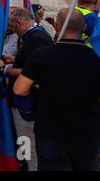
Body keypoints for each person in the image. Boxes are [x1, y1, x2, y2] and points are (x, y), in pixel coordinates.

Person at [14, 9, 100, 171]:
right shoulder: (95, 57)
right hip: (87, 132)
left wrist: (39, 86)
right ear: (84, 28)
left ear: (57, 26)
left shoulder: (42, 55)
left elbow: (19, 89)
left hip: (50, 132)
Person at [0, 7, 53, 171]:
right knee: (24, 141)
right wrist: (14, 59)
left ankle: (29, 167)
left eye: (12, 26)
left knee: (28, 142)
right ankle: (25, 165)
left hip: (28, 103)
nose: (12, 30)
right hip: (27, 101)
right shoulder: (35, 36)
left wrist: (3, 69)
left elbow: (37, 71)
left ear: (20, 22)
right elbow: (31, 63)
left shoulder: (36, 38)